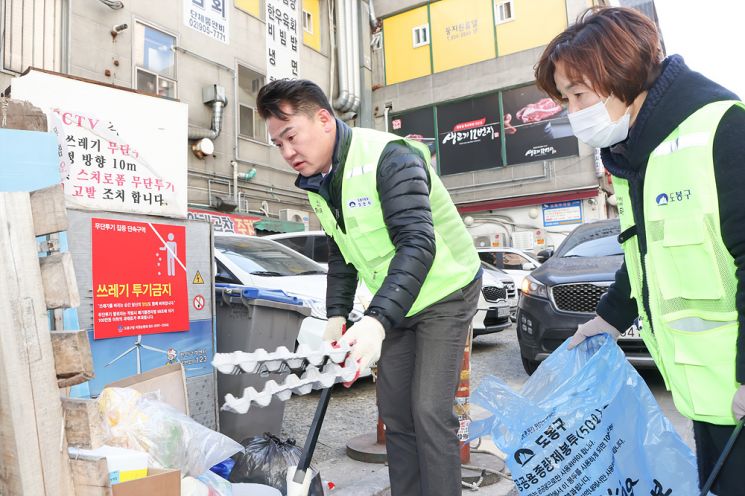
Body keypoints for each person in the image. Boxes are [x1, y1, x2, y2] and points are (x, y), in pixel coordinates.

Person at [534, 7, 745, 494]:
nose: (572, 112)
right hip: (709, 396)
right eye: (564, 99)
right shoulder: (637, 155)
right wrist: (607, 318)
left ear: (621, 75)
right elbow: (645, 256)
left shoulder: (720, 130)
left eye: (578, 94)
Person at [256, 79, 481, 496]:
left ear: (324, 119)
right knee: (395, 412)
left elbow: (417, 243)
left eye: (291, 136)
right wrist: (338, 314)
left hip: (446, 289)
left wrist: (376, 321)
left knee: (430, 411)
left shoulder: (390, 158)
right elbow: (342, 251)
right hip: (397, 300)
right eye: (278, 144)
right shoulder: (321, 183)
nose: (287, 152)